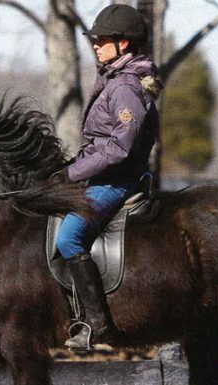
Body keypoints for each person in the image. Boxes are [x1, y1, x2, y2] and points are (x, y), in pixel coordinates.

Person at [55, 4, 161, 350]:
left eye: (102, 40)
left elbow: (119, 148)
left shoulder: (125, 88)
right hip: (101, 176)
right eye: (96, 40)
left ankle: (97, 324)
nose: (96, 45)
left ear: (124, 44)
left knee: (69, 238)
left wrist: (71, 173)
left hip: (115, 182)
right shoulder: (113, 79)